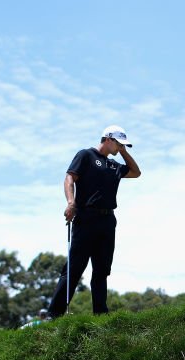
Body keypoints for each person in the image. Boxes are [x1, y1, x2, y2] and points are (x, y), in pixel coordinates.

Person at [47, 125, 141, 317]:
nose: (120, 148)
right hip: (86, 218)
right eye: (118, 144)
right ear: (108, 139)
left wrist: (123, 152)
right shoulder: (86, 156)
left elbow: (136, 172)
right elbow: (69, 178)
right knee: (74, 269)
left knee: (102, 270)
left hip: (107, 221)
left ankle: (100, 314)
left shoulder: (114, 166)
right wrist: (71, 202)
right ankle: (53, 315)